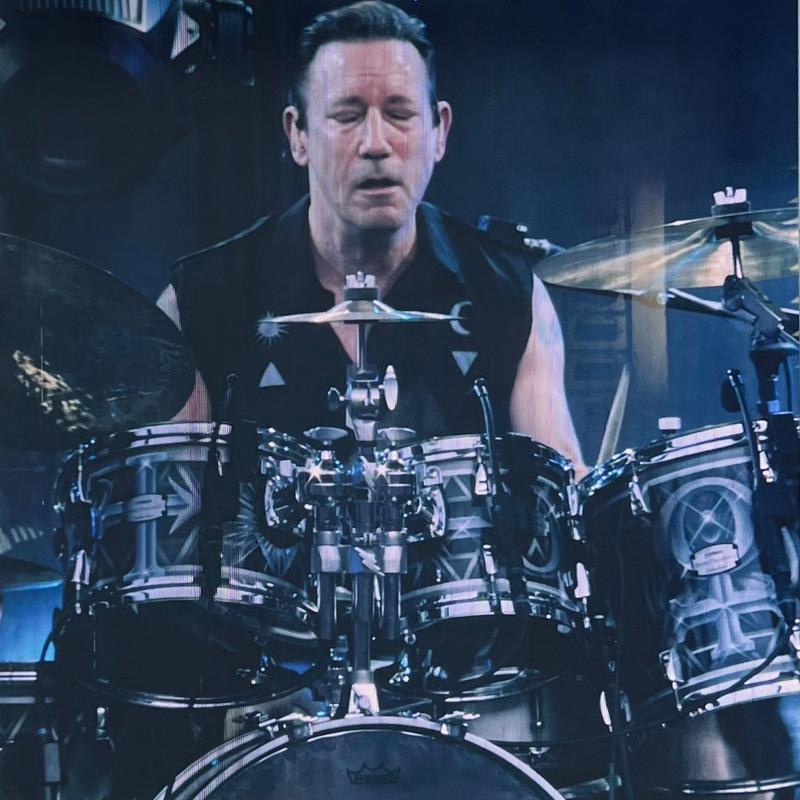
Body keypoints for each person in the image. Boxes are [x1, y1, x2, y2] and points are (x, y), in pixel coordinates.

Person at [158, 0, 586, 475]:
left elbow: (560, 493)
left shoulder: (510, 294)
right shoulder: (200, 301)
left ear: (439, 131)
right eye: (347, 115)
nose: (376, 144)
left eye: (400, 114)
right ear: (298, 135)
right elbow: (172, 509)